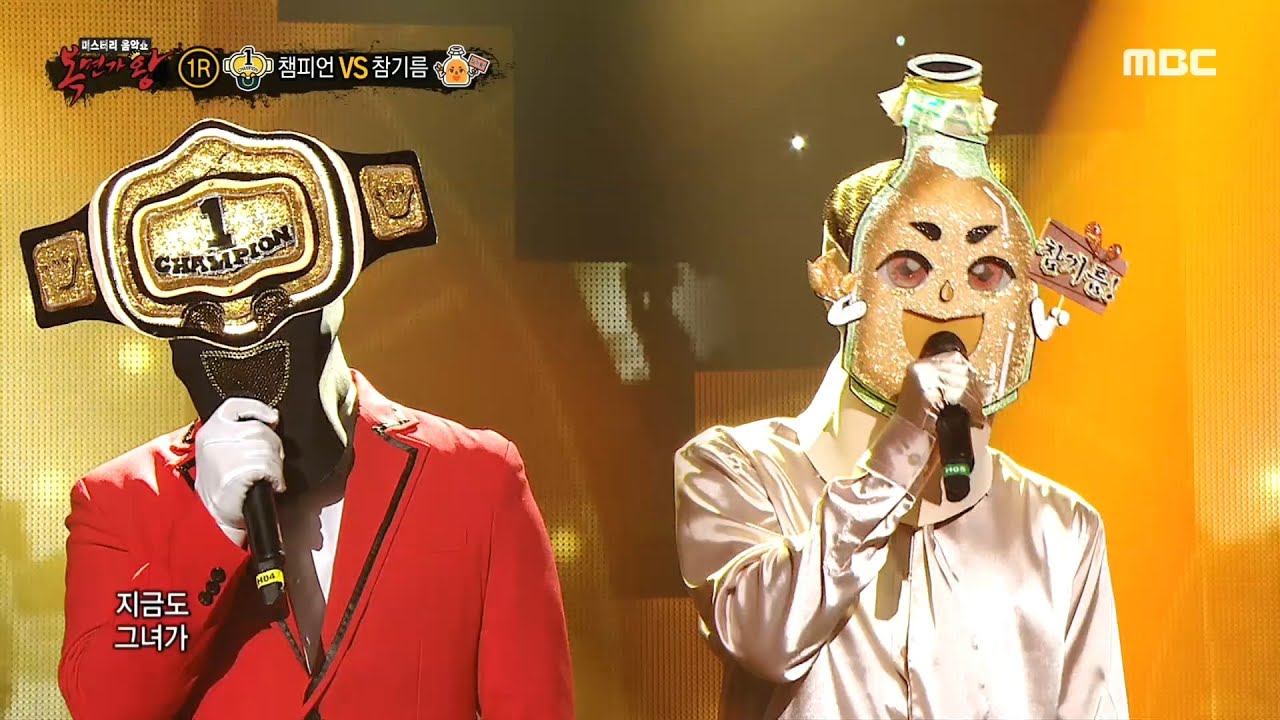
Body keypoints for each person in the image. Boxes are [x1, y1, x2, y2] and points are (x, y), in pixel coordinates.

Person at [22, 119, 574, 719]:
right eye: (207, 322)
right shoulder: (120, 501)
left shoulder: (475, 477)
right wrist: (211, 529)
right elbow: (108, 707)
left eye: (274, 308)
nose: (246, 342)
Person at [674, 54, 1127, 719]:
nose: (948, 300)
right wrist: (897, 455)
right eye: (910, 267)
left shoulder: (1060, 527)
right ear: (836, 277)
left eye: (984, 273)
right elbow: (765, 640)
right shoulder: (737, 470)